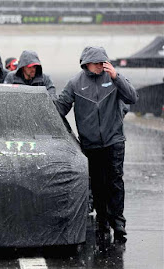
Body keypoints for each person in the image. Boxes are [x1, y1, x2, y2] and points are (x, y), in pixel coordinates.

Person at [54, 46, 138, 242]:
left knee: (115, 182)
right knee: (98, 185)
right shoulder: (75, 83)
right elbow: (60, 108)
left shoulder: (113, 77)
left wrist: (117, 77)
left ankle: (118, 222)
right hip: (91, 144)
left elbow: (132, 98)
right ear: (87, 64)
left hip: (114, 140)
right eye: (97, 62)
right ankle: (102, 222)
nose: (101, 66)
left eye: (103, 62)